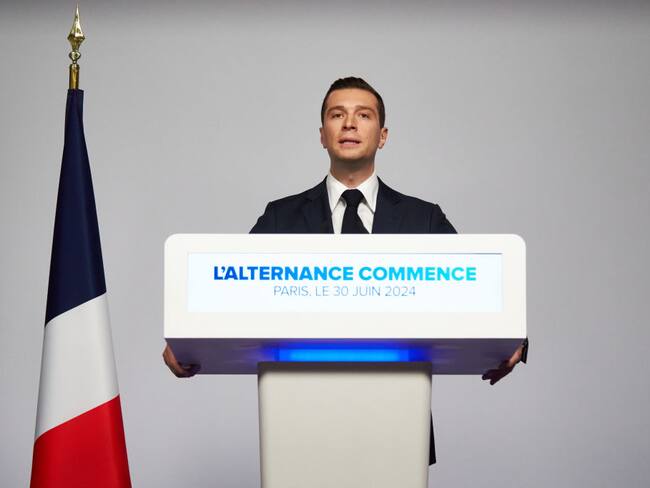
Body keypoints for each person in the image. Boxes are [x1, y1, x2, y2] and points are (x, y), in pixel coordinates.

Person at [162, 76, 528, 464]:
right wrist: (187, 340)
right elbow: (232, 294)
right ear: (322, 135)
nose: (350, 124)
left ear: (383, 136)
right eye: (337, 115)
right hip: (298, 422)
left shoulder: (423, 219)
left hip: (399, 423)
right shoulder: (280, 218)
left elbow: (476, 290)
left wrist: (514, 342)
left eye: (363, 115)